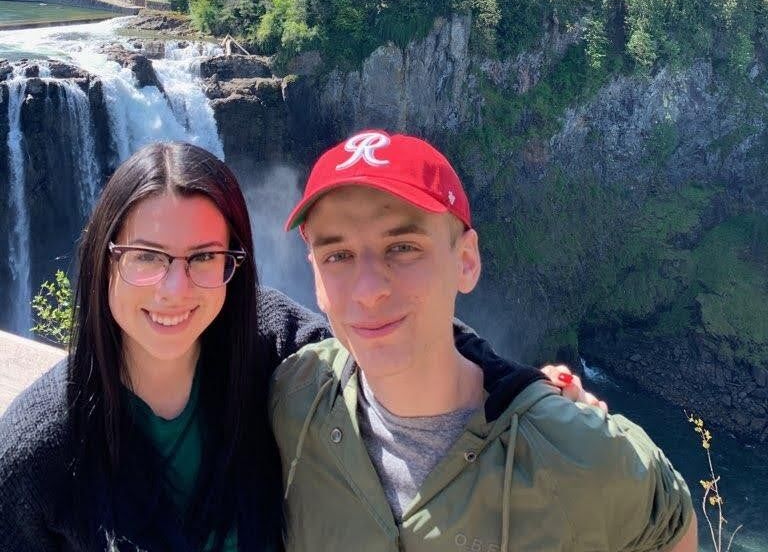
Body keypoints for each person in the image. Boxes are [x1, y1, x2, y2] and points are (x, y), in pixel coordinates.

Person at [0, 139, 595, 552]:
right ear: (104, 261)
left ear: (235, 264)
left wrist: (519, 389)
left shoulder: (268, 344)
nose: (175, 289)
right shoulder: (39, 450)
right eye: (147, 257)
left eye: (204, 257)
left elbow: (379, 341)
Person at [270, 130, 697, 552]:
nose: (367, 289)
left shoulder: (577, 453)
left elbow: (670, 526)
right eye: (337, 255)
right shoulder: (296, 396)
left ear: (467, 261)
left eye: (402, 247)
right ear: (315, 276)